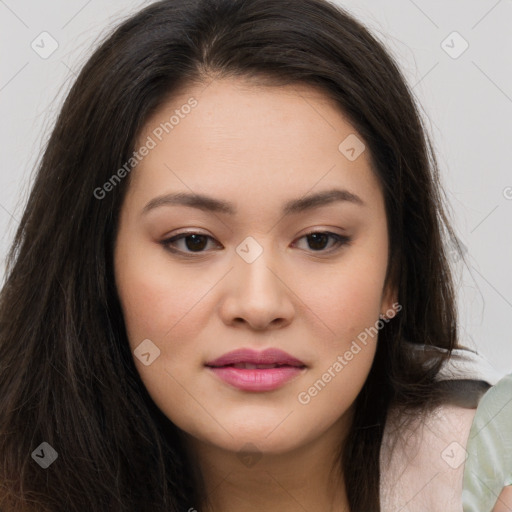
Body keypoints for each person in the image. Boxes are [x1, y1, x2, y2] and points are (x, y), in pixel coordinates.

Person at [0, 0, 507, 510]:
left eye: (319, 239)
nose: (260, 304)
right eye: (193, 241)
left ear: (394, 274)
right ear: (101, 268)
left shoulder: (491, 468)